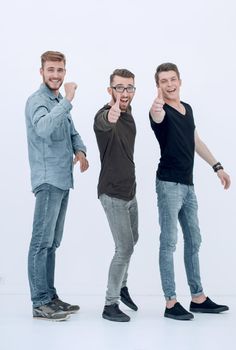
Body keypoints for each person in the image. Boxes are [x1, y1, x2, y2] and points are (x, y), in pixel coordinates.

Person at [149, 62, 231, 321]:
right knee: (169, 242)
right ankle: (171, 302)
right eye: (164, 81)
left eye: (173, 79)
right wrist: (157, 104)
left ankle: (198, 298)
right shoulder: (158, 111)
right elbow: (157, 116)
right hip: (168, 185)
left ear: (180, 80)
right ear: (158, 85)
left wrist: (217, 166)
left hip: (188, 185)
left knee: (194, 240)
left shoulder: (188, 109)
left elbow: (196, 141)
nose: (170, 84)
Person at [25, 51, 89, 321]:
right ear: (41, 71)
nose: (56, 75)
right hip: (48, 179)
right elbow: (43, 129)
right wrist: (70, 100)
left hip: (63, 180)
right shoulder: (38, 101)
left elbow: (71, 130)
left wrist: (81, 150)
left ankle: (50, 296)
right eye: (51, 70)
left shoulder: (58, 100)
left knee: (52, 243)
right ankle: (40, 302)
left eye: (60, 70)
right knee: (41, 242)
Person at [94, 69, 139, 322]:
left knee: (133, 241)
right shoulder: (104, 115)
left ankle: (122, 287)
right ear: (110, 90)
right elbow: (104, 121)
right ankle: (110, 304)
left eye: (129, 87)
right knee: (124, 248)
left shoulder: (129, 114)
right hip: (112, 193)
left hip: (130, 192)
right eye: (119, 87)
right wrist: (110, 114)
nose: (124, 93)